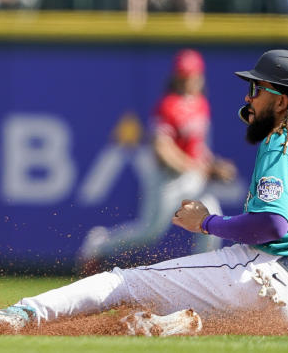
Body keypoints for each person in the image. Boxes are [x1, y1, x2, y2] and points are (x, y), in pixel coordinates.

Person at [0, 49, 288, 336]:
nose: (249, 98)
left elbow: (271, 224)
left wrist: (206, 222)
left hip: (260, 279)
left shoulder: (282, 142)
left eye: (257, 89)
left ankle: (20, 315)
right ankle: (175, 324)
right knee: (204, 306)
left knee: (123, 283)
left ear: (283, 100)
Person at [77, 49, 237, 270]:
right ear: (177, 77)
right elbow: (162, 149)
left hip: (191, 179)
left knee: (211, 216)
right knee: (149, 233)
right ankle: (99, 244)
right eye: (184, 75)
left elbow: (197, 149)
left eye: (192, 74)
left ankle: (204, 271)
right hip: (167, 179)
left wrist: (212, 165)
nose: (189, 79)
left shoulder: (200, 103)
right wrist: (196, 167)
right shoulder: (168, 105)